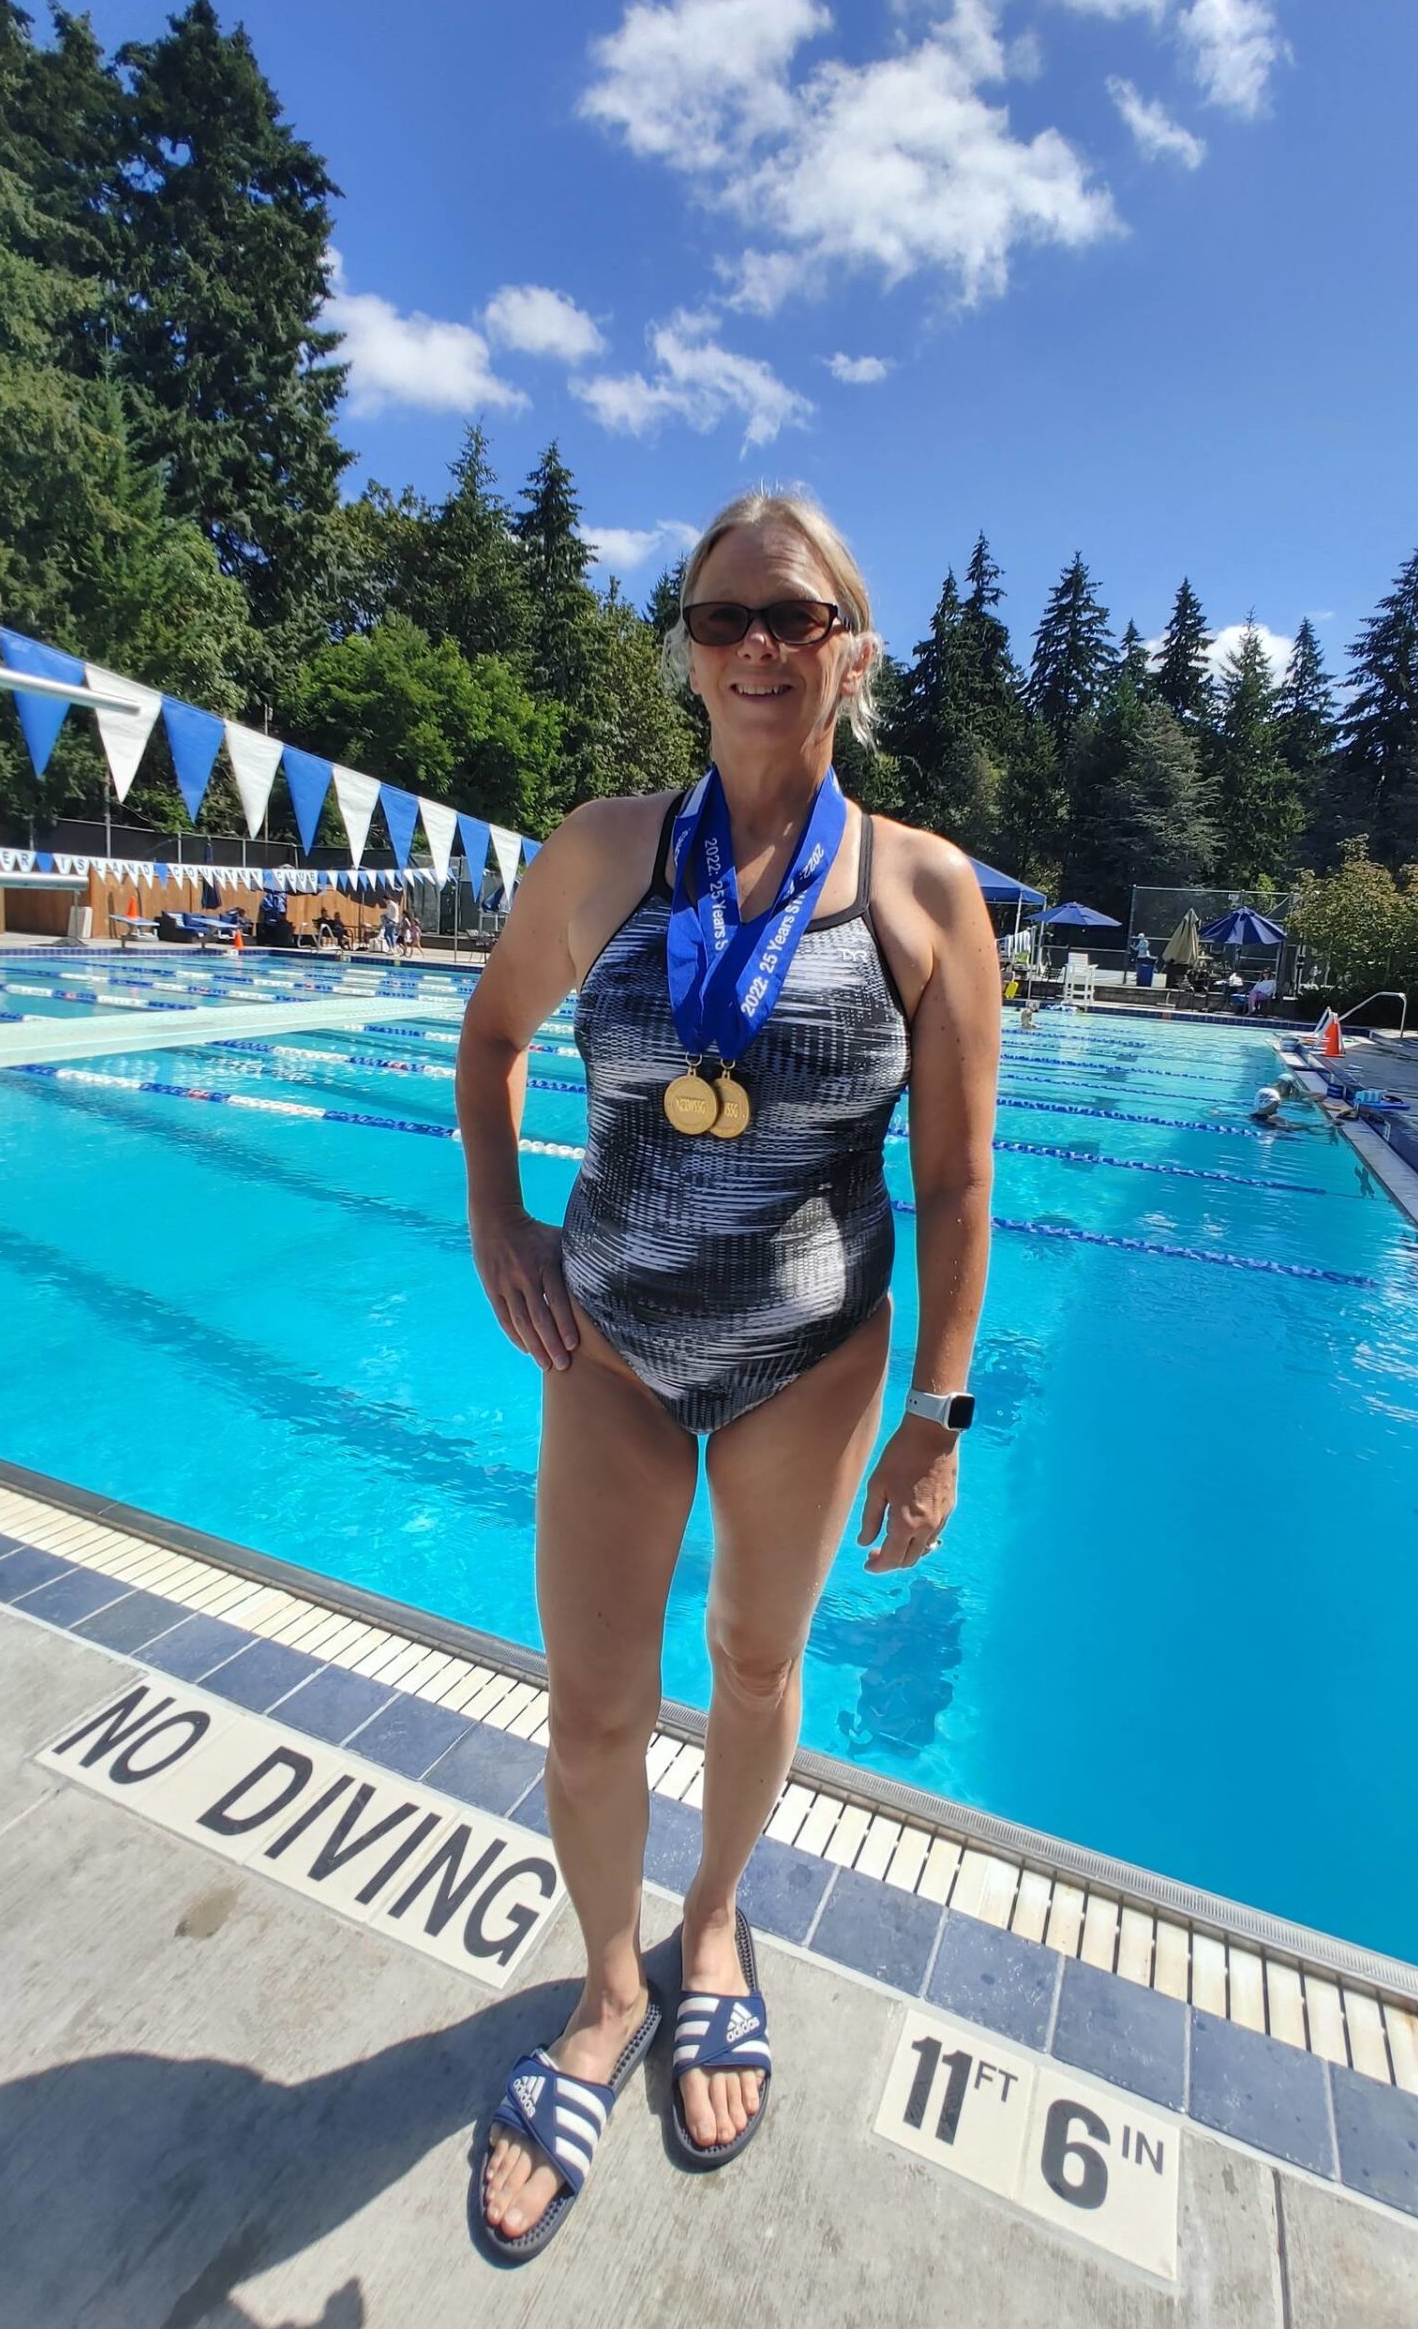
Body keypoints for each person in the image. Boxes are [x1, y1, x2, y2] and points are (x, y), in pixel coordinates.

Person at [455, 488, 1000, 2259]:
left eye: (794, 617)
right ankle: (607, 1994)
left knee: (757, 1665)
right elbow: (492, 1036)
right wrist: (500, 1224)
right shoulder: (607, 851)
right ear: (686, 651)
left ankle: (712, 1928)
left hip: (809, 1360)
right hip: (609, 1342)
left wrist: (938, 1408)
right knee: (595, 1704)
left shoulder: (922, 891)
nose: (759, 649)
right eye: (722, 619)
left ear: (853, 646)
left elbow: (959, 1179)